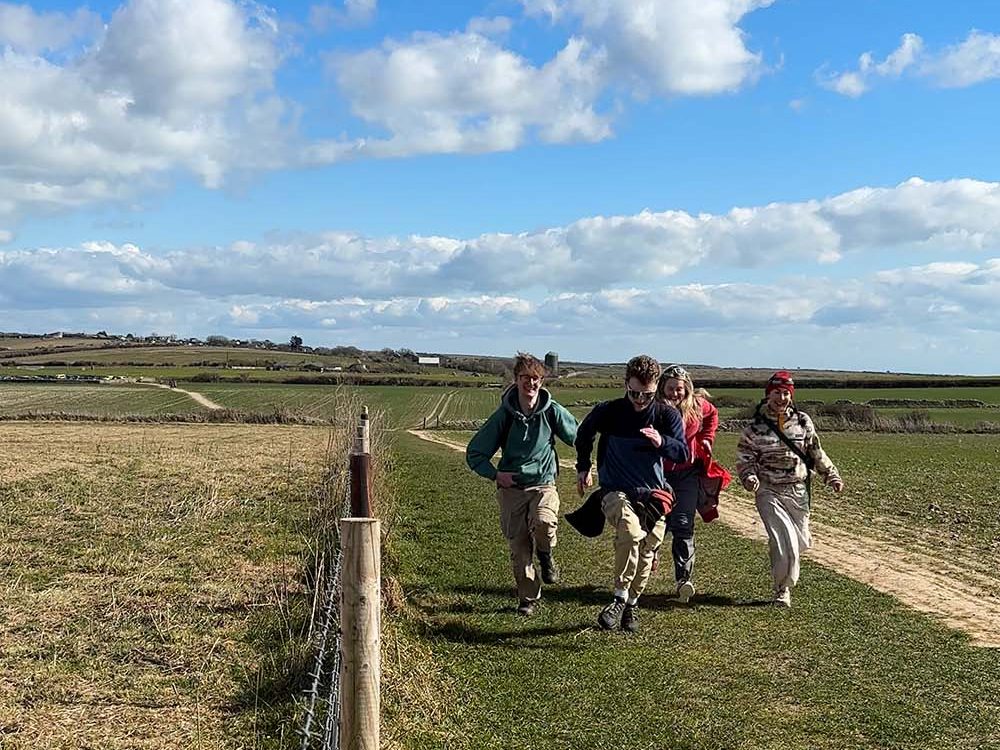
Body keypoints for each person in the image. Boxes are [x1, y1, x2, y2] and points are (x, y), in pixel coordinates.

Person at [575, 355, 688, 633]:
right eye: (634, 392)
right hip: (616, 491)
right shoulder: (609, 411)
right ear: (625, 383)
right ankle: (619, 598)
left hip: (654, 495)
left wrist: (662, 442)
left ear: (656, 388)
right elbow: (584, 434)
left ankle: (632, 605)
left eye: (646, 395)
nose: (639, 399)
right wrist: (583, 467)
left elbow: (683, 452)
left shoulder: (666, 415)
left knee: (648, 548)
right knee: (630, 533)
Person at [466, 353, 578, 616]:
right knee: (518, 548)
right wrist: (495, 475)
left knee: (544, 522)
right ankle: (527, 599)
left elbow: (579, 437)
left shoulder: (551, 411)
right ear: (516, 380)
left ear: (543, 380)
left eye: (536, 378)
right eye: (525, 378)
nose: (531, 384)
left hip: (543, 484)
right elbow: (475, 453)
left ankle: (546, 555)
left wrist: (590, 460)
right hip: (512, 489)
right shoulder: (503, 416)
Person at [735, 371, 844, 607]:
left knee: (800, 541)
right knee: (784, 540)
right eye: (777, 392)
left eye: (786, 393)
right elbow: (745, 459)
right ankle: (782, 589)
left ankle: (785, 573)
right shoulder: (755, 428)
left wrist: (831, 475)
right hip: (769, 491)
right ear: (768, 395)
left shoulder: (803, 421)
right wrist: (750, 477)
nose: (782, 398)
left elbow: (816, 452)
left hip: (797, 490)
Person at [656, 364, 719, 603]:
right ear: (662, 387)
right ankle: (643, 566)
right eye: (670, 388)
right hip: (657, 474)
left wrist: (705, 439)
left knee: (683, 524)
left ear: (687, 388)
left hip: (687, 474)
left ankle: (683, 580)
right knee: (654, 523)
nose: (675, 393)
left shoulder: (697, 406)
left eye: (679, 389)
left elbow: (712, 415)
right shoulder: (653, 407)